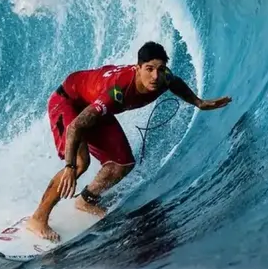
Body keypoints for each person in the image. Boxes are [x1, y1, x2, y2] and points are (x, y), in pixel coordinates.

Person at [27, 41, 232, 241]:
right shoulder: (117, 92)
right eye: (149, 69)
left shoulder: (164, 78)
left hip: (92, 104)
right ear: (137, 68)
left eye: (160, 69)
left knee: (122, 164)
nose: (154, 76)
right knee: (81, 163)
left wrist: (199, 102)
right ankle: (38, 219)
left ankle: (86, 200)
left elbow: (175, 82)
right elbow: (76, 126)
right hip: (68, 101)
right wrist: (70, 166)